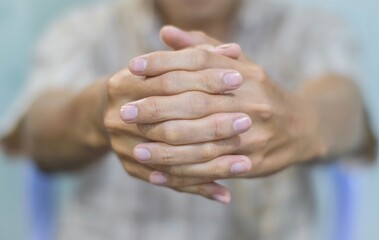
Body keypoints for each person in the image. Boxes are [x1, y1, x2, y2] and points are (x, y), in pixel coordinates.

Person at [0, 0, 376, 239]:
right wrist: (98, 110)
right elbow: (38, 129)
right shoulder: (84, 31)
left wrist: (301, 121)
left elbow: (345, 106)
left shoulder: (307, 28)